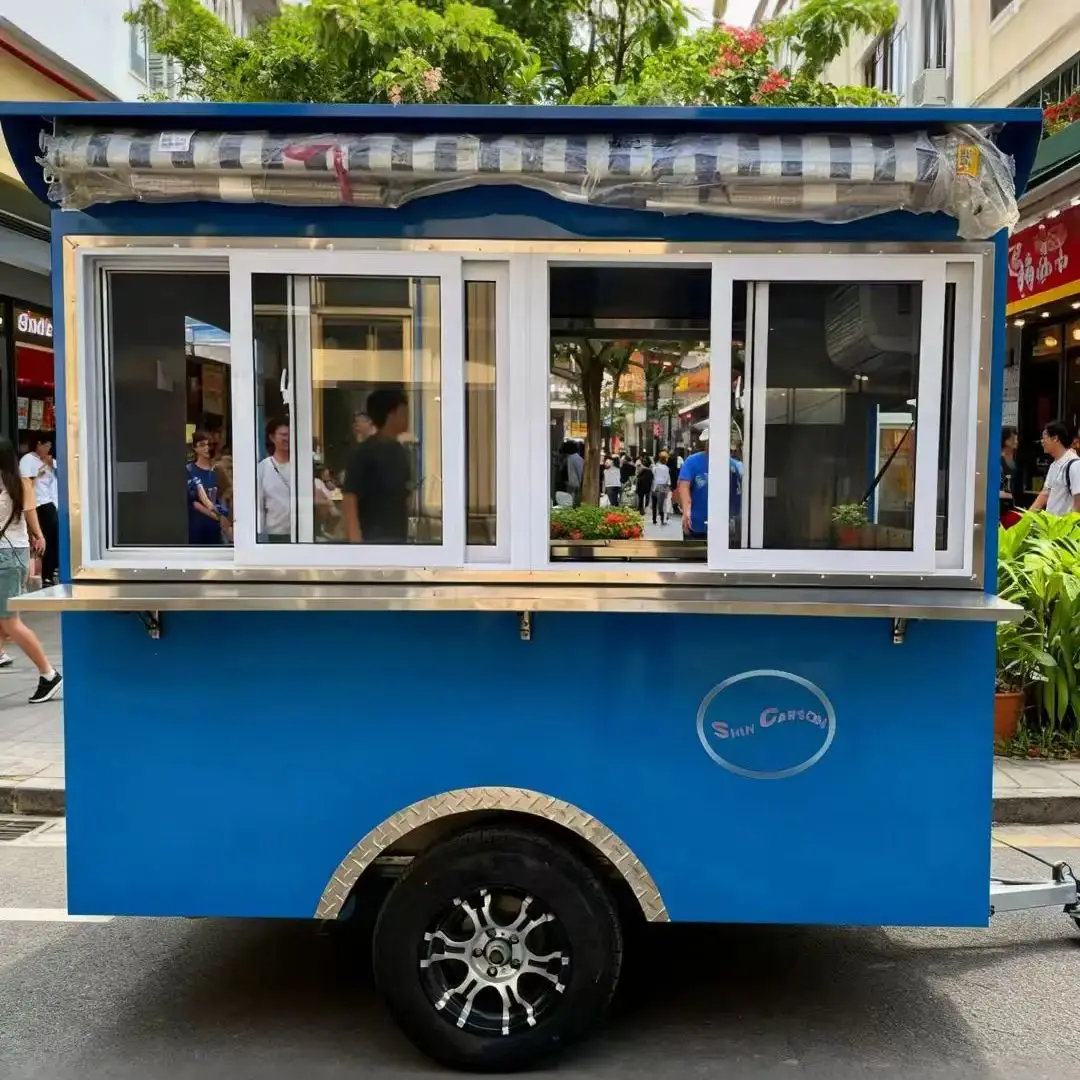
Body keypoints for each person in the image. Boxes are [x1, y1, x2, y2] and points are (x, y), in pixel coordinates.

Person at [0, 437, 62, 703]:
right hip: (16, 554)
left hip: (6, 556)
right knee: (4, 618)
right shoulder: (21, 483)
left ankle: (49, 674)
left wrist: (37, 537)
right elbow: (31, 518)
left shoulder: (15, 485)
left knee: (9, 620)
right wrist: (38, 537)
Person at [343, 388, 412, 544]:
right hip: (372, 539)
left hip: (398, 537)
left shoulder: (400, 451)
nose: (408, 417)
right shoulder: (363, 453)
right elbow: (349, 498)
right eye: (403, 412)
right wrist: (356, 541)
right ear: (391, 415)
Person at [19, 433, 59, 586]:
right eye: (46, 445)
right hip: (40, 504)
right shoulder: (28, 460)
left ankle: (51, 570)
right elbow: (27, 485)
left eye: (50, 446)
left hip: (54, 503)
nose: (48, 449)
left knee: (56, 539)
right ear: (38, 444)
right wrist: (42, 468)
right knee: (47, 538)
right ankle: (46, 574)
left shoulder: (52, 461)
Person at [1031, 420, 1080, 516]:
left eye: (1044, 437)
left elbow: (1078, 501)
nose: (1042, 441)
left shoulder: (1075, 465)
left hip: (1066, 528)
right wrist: (1025, 521)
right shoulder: (1054, 465)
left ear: (1055, 438)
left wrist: (1069, 526)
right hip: (1052, 528)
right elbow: (1044, 494)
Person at [256, 418, 292, 542]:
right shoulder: (263, 468)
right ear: (272, 437)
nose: (287, 439)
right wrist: (259, 535)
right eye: (283, 435)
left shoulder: (301, 466)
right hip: (276, 533)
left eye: (289, 435)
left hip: (302, 532)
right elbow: (259, 505)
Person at [999, 426, 1024, 521]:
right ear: (1006, 441)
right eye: (1014, 438)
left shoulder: (1015, 459)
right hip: (1003, 507)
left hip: (1014, 506)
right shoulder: (998, 461)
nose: (1016, 441)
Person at [651, 452, 672, 524]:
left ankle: (654, 519)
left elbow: (653, 473)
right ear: (666, 459)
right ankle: (662, 520)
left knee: (654, 503)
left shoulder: (655, 467)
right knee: (661, 505)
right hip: (662, 486)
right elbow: (666, 479)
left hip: (654, 486)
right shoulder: (666, 468)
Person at [566, 441, 584, 507]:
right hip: (576, 485)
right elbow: (580, 472)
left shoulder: (570, 458)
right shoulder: (577, 458)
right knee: (575, 503)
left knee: (571, 503)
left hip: (571, 484)